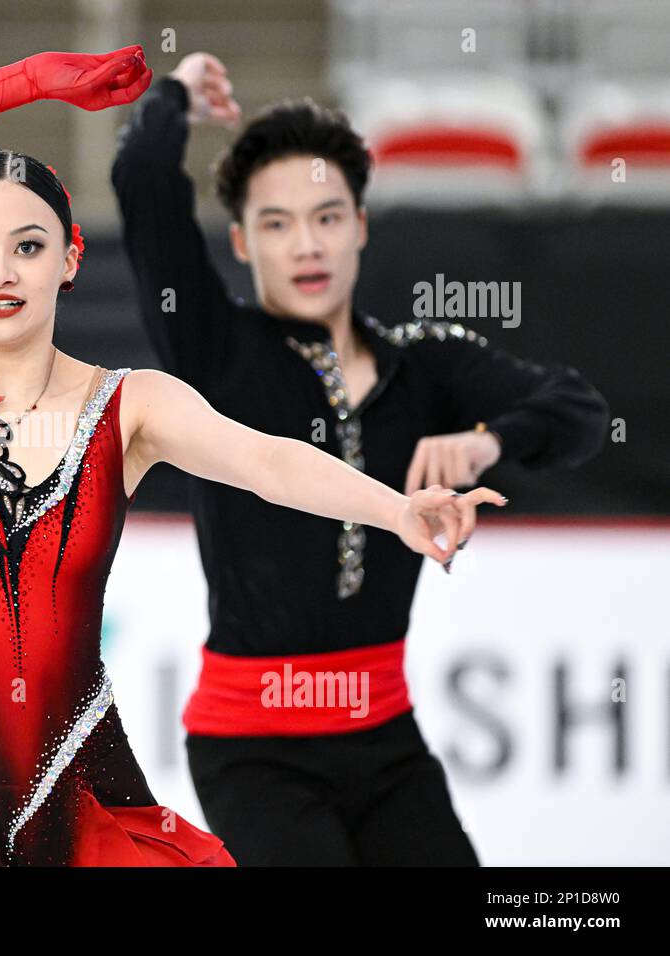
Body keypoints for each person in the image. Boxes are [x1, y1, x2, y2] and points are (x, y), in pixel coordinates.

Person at [0, 45, 505, 867]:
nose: (0, 271)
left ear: (68, 261)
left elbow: (268, 461)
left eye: (29, 246)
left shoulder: (130, 404)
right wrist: (31, 83)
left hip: (85, 796)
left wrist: (396, 509)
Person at [110, 52, 610, 865]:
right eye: (277, 223)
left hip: (384, 741)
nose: (306, 244)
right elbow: (141, 179)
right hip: (253, 750)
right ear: (241, 241)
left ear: (362, 225)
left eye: (327, 216)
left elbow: (578, 412)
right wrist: (173, 96)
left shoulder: (427, 361)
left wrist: (489, 440)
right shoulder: (216, 348)